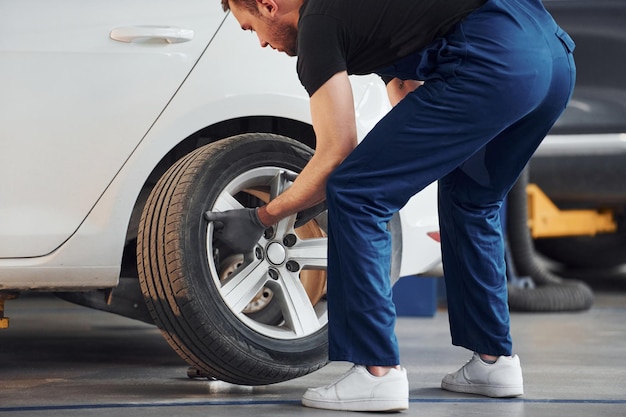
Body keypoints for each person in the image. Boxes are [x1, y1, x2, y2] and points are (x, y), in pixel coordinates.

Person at [205, 0, 576, 412]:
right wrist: (400, 166)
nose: (258, 42)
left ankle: (375, 373)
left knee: (356, 191)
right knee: (470, 198)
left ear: (269, 5)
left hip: (496, 55)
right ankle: (494, 362)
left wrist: (263, 216)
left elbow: (336, 154)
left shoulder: (318, 25)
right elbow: (404, 87)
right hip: (553, 59)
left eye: (249, 27)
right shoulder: (358, 12)